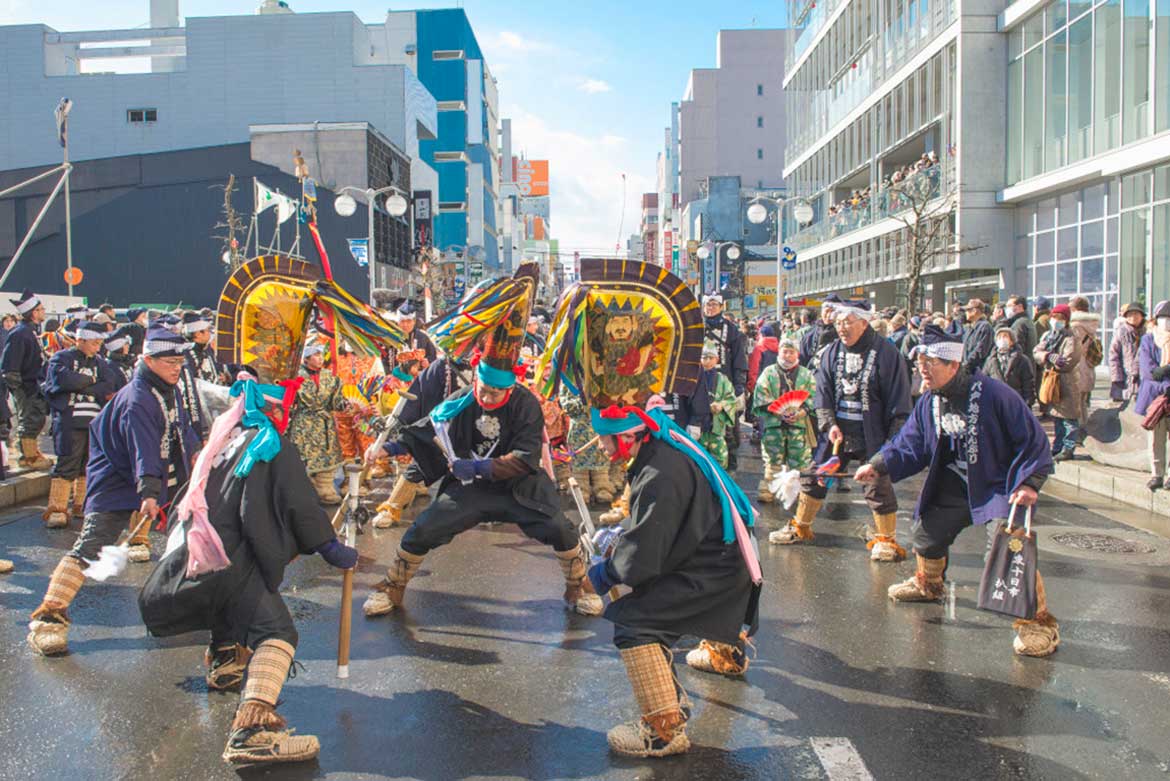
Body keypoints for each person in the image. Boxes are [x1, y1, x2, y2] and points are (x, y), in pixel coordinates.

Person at [538, 258, 759, 759]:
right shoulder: (663, 445)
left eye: (610, 438)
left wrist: (602, 570)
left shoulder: (661, 468)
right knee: (652, 591)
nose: (605, 446)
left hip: (716, 568)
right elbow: (657, 528)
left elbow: (646, 555)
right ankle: (728, 654)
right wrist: (623, 538)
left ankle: (664, 729)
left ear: (632, 431)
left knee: (635, 618)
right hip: (724, 558)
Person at [139, 373, 357, 766]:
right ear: (277, 407)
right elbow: (299, 505)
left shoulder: (226, 438)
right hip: (226, 560)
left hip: (193, 557)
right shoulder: (272, 446)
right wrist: (330, 547)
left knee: (229, 604)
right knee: (277, 631)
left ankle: (225, 661)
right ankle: (253, 731)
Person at [363, 264, 603, 619]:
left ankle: (578, 584)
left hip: (519, 486)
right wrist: (388, 448)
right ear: (475, 382)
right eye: (484, 390)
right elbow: (429, 432)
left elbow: (524, 458)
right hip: (471, 487)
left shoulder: (524, 404)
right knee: (424, 528)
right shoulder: (460, 402)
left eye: (497, 392)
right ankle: (392, 586)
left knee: (561, 528)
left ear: (511, 386)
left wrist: (474, 465)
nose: (489, 398)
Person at [855, 324, 1059, 657]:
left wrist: (1029, 483)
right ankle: (928, 583)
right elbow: (911, 440)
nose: (923, 370)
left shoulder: (996, 393)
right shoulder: (929, 401)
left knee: (1009, 547)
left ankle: (1038, 622)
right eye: (920, 362)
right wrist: (878, 464)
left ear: (953, 365)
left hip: (998, 484)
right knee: (927, 529)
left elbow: (1032, 440)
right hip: (954, 480)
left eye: (930, 364)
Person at [26, 326, 201, 656]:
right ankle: (49, 616)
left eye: (180, 361)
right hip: (117, 480)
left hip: (153, 474)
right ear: (147, 360)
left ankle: (179, 606)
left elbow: (182, 426)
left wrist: (195, 452)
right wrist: (149, 492)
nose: (177, 367)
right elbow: (143, 447)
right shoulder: (137, 399)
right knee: (92, 545)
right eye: (169, 361)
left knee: (188, 537)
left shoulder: (169, 388)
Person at [772, 299, 912, 560]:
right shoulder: (832, 351)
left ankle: (886, 540)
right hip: (837, 430)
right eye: (837, 323)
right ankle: (800, 526)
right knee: (816, 475)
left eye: (847, 322)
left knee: (877, 483)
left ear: (864, 321)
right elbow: (822, 392)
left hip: (874, 431)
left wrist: (893, 442)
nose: (841, 328)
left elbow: (898, 400)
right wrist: (829, 423)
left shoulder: (887, 353)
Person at [372, 350, 474, 529]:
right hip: (445, 429)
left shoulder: (485, 364)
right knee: (420, 464)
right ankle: (392, 508)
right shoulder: (440, 367)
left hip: (473, 429)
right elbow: (420, 398)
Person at [40, 321, 121, 529]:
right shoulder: (61, 358)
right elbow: (63, 381)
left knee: (89, 462)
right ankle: (57, 508)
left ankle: (82, 503)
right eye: (94, 343)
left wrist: (83, 383)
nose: (97, 347)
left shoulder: (101, 362)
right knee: (67, 461)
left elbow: (108, 384)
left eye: (99, 343)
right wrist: (92, 381)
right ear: (80, 340)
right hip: (70, 419)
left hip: (94, 420)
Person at [753, 337, 816, 505]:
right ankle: (769, 489)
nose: (787, 355)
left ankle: (800, 492)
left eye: (791, 352)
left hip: (799, 425)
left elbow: (813, 397)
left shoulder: (806, 374)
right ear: (778, 352)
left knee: (800, 461)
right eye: (784, 351)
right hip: (774, 424)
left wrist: (802, 411)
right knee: (773, 460)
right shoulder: (769, 372)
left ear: (797, 354)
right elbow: (761, 394)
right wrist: (779, 412)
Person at [287, 339, 347, 504]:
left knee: (327, 458)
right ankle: (303, 492)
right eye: (315, 355)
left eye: (320, 354)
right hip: (304, 423)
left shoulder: (330, 377)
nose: (320, 358)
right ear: (305, 358)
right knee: (303, 458)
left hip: (324, 424)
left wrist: (347, 405)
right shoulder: (295, 375)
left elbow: (336, 402)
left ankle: (325, 490)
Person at [2, 289, 53, 470]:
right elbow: (10, 365)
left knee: (37, 419)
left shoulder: (30, 332)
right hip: (27, 385)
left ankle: (32, 452)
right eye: (41, 309)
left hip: (35, 383)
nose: (44, 312)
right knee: (30, 420)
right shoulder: (20, 333)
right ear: (34, 312)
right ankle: (28, 456)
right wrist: (19, 387)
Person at [702, 295, 748, 470]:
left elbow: (739, 359)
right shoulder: (697, 327)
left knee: (728, 423)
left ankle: (730, 462)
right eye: (708, 304)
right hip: (702, 381)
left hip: (724, 383)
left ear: (721, 306)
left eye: (714, 304)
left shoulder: (732, 330)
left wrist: (739, 385)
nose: (710, 308)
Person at [1033, 304, 1084, 461]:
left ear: (1066, 320)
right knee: (1056, 417)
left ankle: (1068, 448)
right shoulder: (1049, 336)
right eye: (1054, 318)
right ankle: (1057, 446)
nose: (1056, 321)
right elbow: (1036, 352)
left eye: (1060, 318)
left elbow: (1068, 361)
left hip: (1067, 382)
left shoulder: (1072, 338)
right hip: (1051, 380)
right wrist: (1047, 356)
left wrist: (1054, 361)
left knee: (1069, 417)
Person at [1136, 301, 1170, 491]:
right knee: (1156, 439)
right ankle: (1157, 474)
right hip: (1156, 397)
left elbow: (1160, 371)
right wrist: (1166, 377)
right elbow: (1150, 371)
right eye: (1164, 319)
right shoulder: (1149, 339)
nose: (1167, 323)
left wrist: (1164, 370)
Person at [983, 325, 1035, 406]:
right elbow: (985, 380)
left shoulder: (1022, 359)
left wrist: (1027, 402)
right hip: (996, 400)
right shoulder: (990, 360)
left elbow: (1028, 382)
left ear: (1012, 341)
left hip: (1016, 401)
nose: (1002, 339)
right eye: (999, 337)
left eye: (1005, 336)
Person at [1110, 302, 1145, 402]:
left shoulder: (1147, 331)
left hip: (1143, 375)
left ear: (1142, 316)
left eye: (1136, 314)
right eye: (1130, 314)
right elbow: (1113, 354)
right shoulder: (1122, 331)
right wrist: (1116, 377)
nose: (1133, 317)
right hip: (1125, 376)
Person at [799, 296, 839, 368]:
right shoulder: (810, 334)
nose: (829, 315)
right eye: (827, 311)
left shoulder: (843, 334)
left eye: (833, 312)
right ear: (821, 312)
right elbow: (802, 361)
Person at [183, 311, 222, 384]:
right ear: (198, 334)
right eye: (207, 330)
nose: (210, 333)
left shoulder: (207, 349)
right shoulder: (187, 354)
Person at [960, 298, 993, 375]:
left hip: (978, 371)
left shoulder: (985, 326)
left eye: (968, 310)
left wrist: (966, 365)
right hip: (967, 371)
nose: (966, 313)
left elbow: (980, 351)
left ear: (974, 311)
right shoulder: (969, 328)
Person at [1002, 295, 1038, 362]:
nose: (1007, 309)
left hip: (1020, 368)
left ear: (1020, 306)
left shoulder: (1019, 324)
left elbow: (1016, 349)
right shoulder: (1028, 321)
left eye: (1010, 305)